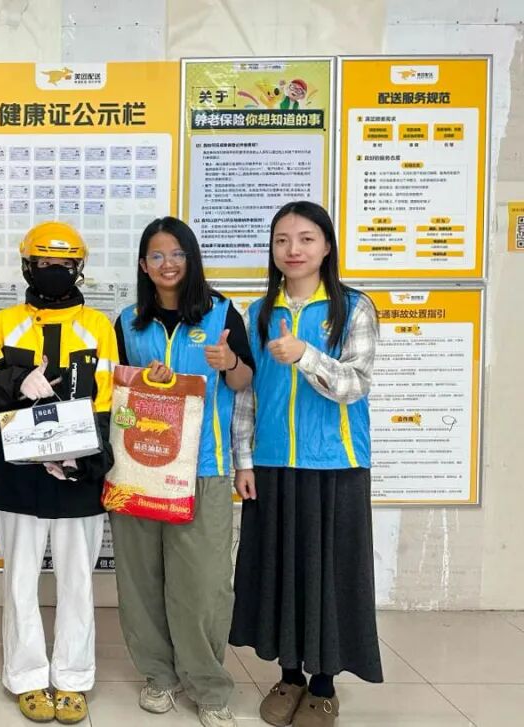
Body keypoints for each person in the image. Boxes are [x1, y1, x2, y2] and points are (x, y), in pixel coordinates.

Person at [230, 201, 382, 727]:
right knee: (280, 573)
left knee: (329, 578)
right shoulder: (257, 312)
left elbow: (356, 384)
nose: (293, 250)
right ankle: (289, 675)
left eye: (305, 239)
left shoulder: (352, 308)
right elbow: (245, 394)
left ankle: (324, 685)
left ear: (327, 246)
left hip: (335, 465)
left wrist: (305, 355)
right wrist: (243, 461)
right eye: (282, 240)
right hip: (272, 464)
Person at [111, 217, 254, 727]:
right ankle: (159, 675)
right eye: (156, 255)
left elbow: (244, 382)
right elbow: (116, 391)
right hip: (138, 466)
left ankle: (208, 687)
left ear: (191, 259)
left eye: (177, 254)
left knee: (203, 585)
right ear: (143, 264)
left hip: (204, 469)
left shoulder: (221, 313)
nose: (167, 264)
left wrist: (229, 360)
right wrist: (143, 382)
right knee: (141, 580)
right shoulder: (128, 321)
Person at [0, 221, 117, 725]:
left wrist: (83, 460)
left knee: (78, 581)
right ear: (26, 266)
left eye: (64, 264)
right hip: (17, 475)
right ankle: (27, 676)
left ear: (79, 269)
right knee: (20, 582)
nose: (53, 271)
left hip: (78, 475)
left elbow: (107, 404)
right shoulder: (2, 324)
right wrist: (16, 382)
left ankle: (73, 678)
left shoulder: (98, 326)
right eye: (43, 263)